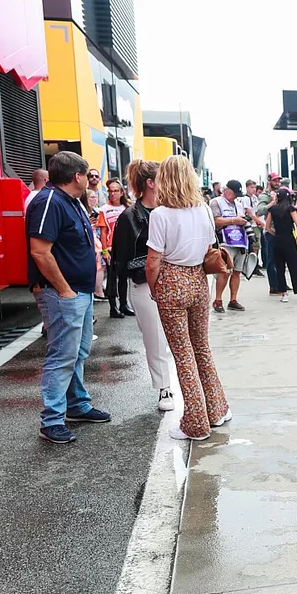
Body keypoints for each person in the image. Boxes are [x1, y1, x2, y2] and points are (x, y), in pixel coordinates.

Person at [27, 151, 112, 444]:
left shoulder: (69, 201)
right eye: (87, 174)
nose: (90, 179)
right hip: (62, 293)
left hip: (79, 292)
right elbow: (39, 251)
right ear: (77, 176)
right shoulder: (49, 201)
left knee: (78, 352)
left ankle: (76, 405)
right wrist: (64, 289)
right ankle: (51, 420)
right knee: (63, 355)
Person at [145, 156, 231, 441]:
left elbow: (153, 261)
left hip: (172, 281)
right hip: (198, 280)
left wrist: (154, 288)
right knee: (201, 348)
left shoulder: (160, 215)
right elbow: (208, 246)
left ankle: (195, 423)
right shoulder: (204, 210)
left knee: (182, 355)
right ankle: (217, 410)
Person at [113, 158, 175, 412]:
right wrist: (154, 264)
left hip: (172, 283)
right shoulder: (129, 217)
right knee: (155, 339)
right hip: (143, 285)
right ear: (150, 183)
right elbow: (122, 260)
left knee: (174, 338)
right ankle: (164, 387)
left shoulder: (171, 209)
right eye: (162, 178)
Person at [209, 180, 252, 313]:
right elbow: (215, 221)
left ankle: (233, 300)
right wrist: (233, 220)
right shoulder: (216, 202)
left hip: (240, 242)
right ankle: (218, 300)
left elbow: (244, 219)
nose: (236, 196)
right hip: (225, 242)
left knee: (237, 272)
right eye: (234, 193)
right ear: (227, 190)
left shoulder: (238, 204)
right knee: (224, 271)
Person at [97, 178, 132, 318]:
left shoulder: (127, 208)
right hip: (111, 249)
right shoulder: (103, 210)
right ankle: (113, 307)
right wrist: (104, 251)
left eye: (116, 191)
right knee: (112, 279)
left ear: (122, 192)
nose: (113, 194)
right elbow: (103, 232)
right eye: (110, 191)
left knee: (124, 278)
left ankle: (124, 304)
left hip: (124, 248)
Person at [256, 173, 281, 293]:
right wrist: (272, 202)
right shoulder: (264, 196)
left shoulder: (281, 193)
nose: (277, 183)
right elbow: (259, 211)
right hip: (271, 231)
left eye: (278, 180)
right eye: (275, 180)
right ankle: (274, 286)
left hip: (283, 230)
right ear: (269, 181)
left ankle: (281, 283)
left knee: (281, 259)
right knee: (272, 260)